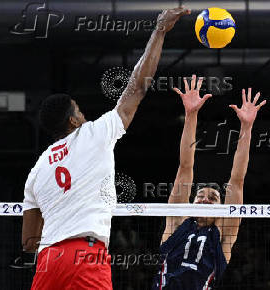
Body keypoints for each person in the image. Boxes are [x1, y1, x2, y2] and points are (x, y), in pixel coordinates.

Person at [21, 7, 190, 289]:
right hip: (85, 257)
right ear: (73, 120)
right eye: (80, 111)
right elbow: (136, 88)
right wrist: (159, 31)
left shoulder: (38, 168)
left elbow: (29, 241)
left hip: (48, 261)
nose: (84, 115)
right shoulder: (93, 134)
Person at [153, 75, 266, 289]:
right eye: (200, 196)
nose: (205, 199)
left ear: (222, 209)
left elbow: (237, 180)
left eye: (213, 198)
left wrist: (246, 128)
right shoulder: (177, 224)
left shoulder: (223, 235)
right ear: (191, 203)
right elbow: (185, 166)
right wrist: (191, 114)